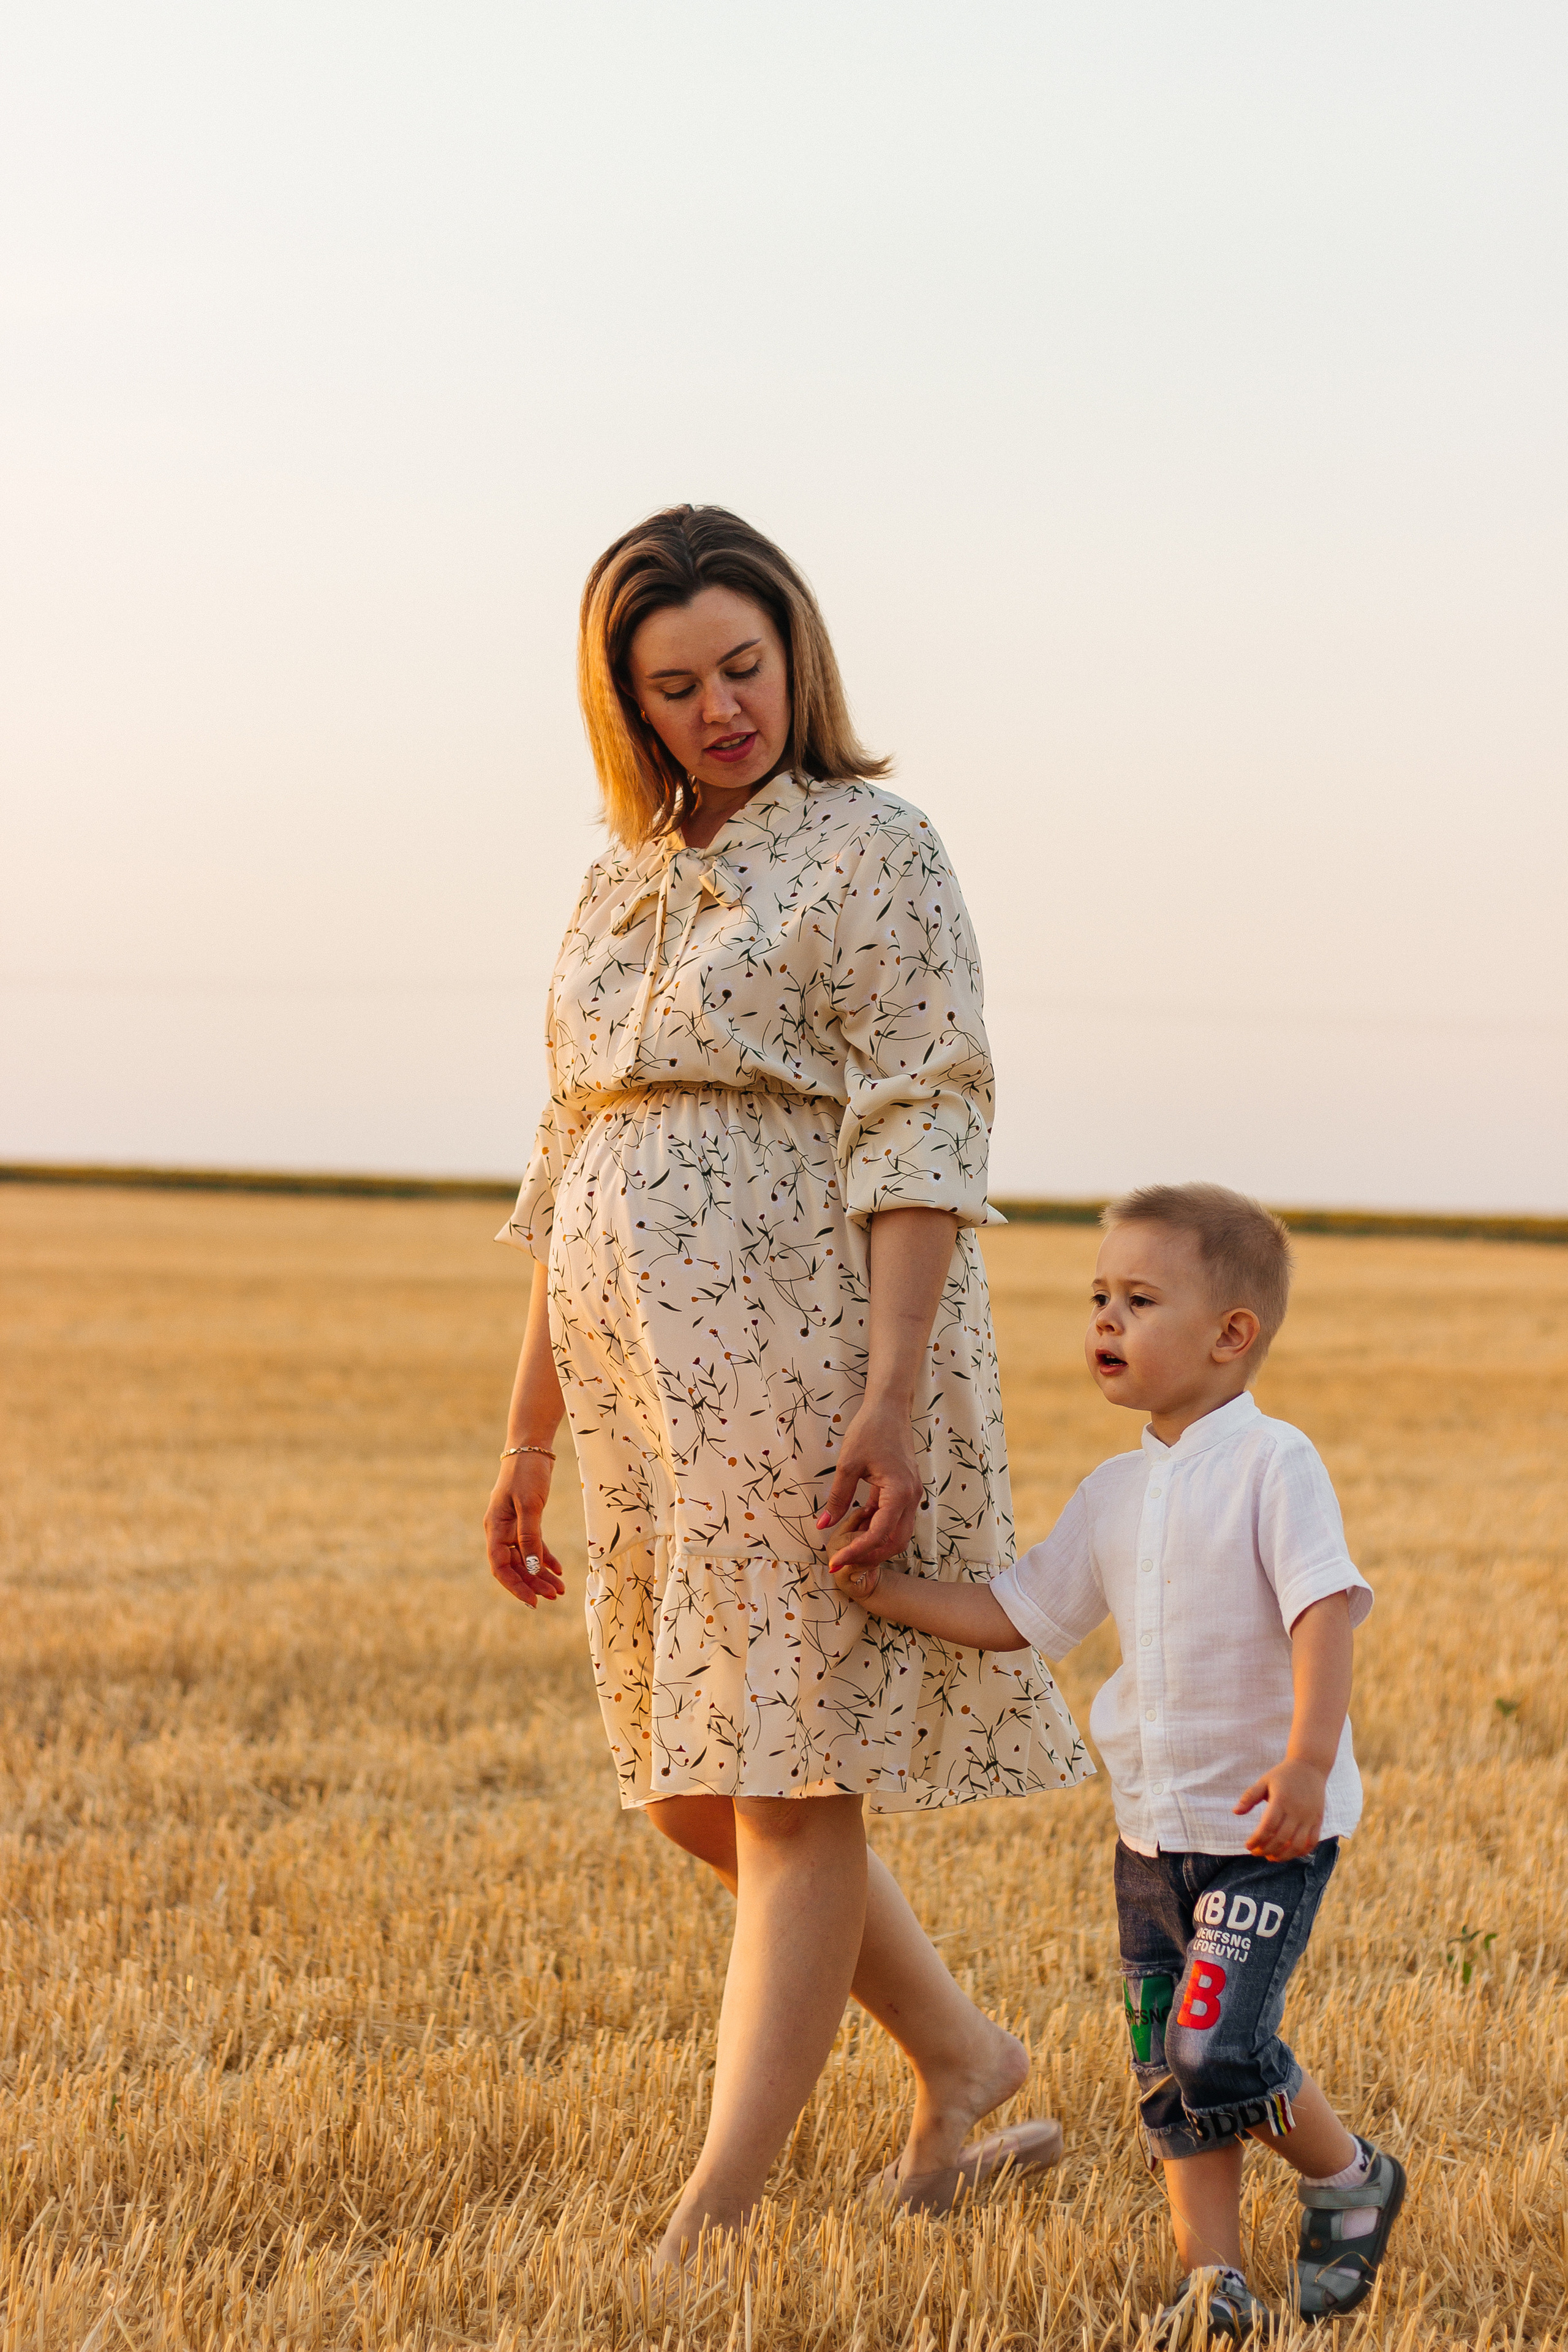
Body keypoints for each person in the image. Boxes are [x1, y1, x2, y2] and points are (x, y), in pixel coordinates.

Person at [483, 505, 1091, 2271]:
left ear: (795, 655)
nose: (720, 707)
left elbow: (928, 1114)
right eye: (675, 685)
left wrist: (893, 1394)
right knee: (689, 1776)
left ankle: (712, 2225)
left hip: (810, 1354)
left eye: (744, 667)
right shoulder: (617, 880)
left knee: (785, 1770)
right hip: (637, 1391)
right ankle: (969, 2057)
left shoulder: (878, 849)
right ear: (629, 702)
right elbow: (564, 1149)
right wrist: (525, 1427)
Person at [832, 1182, 1406, 2334]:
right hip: (1150, 1831)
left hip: (1258, 1832)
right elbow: (1023, 1613)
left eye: (1139, 1300)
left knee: (1214, 2048)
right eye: (1098, 1297)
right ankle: (1216, 2278)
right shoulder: (1114, 1490)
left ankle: (1349, 2178)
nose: (1105, 1320)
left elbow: (1325, 1613)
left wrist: (1306, 1762)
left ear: (1230, 1335)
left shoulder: (1273, 1464)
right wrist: (885, 1591)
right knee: (1167, 2067)